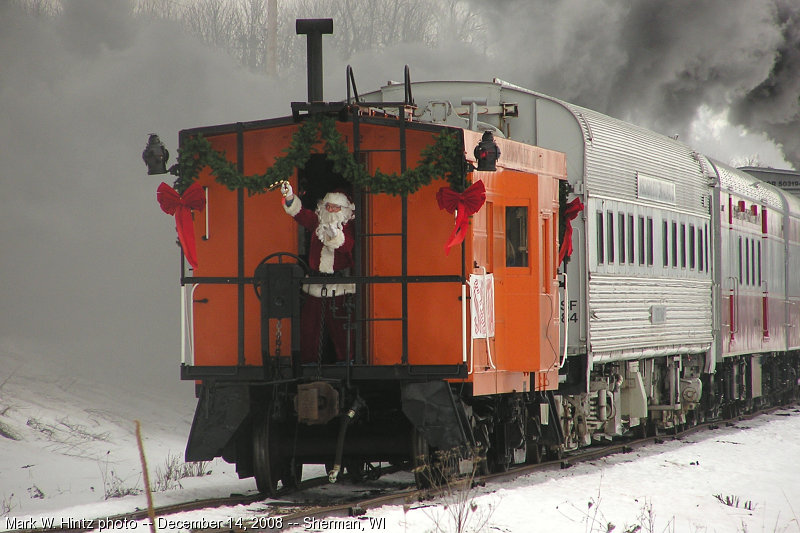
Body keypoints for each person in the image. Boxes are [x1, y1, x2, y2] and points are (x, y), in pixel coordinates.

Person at [281, 182, 355, 363]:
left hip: (338, 286)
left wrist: (334, 236)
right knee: (309, 326)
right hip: (315, 283)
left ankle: (347, 362)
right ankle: (309, 363)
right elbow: (299, 214)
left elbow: (346, 246)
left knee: (340, 327)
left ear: (343, 209)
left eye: (335, 207)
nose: (330, 210)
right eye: (328, 206)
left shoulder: (348, 228)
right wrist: (290, 197)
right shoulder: (316, 222)